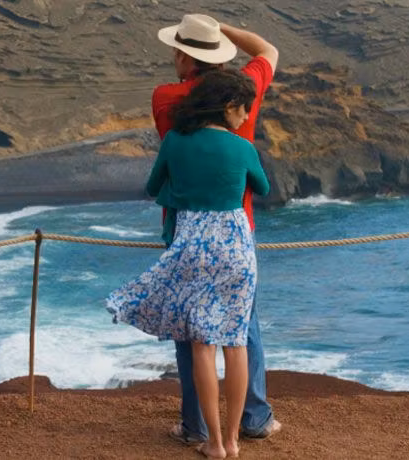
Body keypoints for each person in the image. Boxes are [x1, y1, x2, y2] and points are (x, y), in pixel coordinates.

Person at [107, 69, 270, 459]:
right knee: (236, 345)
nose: (247, 116)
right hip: (236, 247)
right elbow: (262, 187)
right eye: (244, 109)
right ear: (229, 106)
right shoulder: (241, 146)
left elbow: (152, 188)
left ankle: (213, 443)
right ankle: (234, 441)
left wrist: (180, 191)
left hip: (192, 244)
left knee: (202, 346)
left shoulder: (176, 141)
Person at [151, 13, 282, 445]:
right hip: (236, 229)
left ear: (186, 56)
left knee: (191, 330)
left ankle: (196, 427)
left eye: (177, 50)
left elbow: (157, 181)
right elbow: (268, 51)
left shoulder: (166, 97)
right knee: (243, 327)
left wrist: (206, 37)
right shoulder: (244, 93)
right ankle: (254, 419)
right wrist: (220, 30)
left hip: (183, 228)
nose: (173, 56)